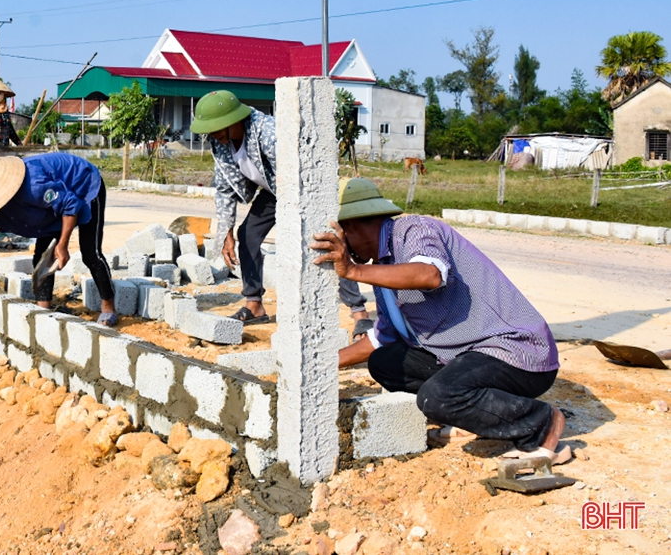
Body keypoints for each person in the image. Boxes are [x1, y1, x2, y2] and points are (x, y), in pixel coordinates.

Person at [311, 178, 568, 462]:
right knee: (385, 363)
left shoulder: (414, 230)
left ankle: (542, 424)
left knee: (437, 396)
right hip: (469, 355)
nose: (341, 247)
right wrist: (321, 365)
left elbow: (430, 274)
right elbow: (384, 336)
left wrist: (353, 270)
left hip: (516, 352)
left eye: (339, 237)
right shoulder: (382, 266)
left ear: (352, 226)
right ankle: (473, 417)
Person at [191, 90, 368, 329]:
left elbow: (296, 172)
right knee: (247, 235)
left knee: (324, 241)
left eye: (217, 130)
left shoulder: (267, 132)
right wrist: (226, 233)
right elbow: (224, 190)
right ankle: (254, 305)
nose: (214, 136)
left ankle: (359, 312)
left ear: (233, 121)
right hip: (274, 192)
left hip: (303, 187)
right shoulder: (220, 143)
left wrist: (293, 217)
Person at [0, 153, 119, 325]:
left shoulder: (32, 185)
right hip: (53, 203)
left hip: (83, 183)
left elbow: (70, 205)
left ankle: (108, 307)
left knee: (91, 254)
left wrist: (62, 244)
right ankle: (43, 310)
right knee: (42, 256)